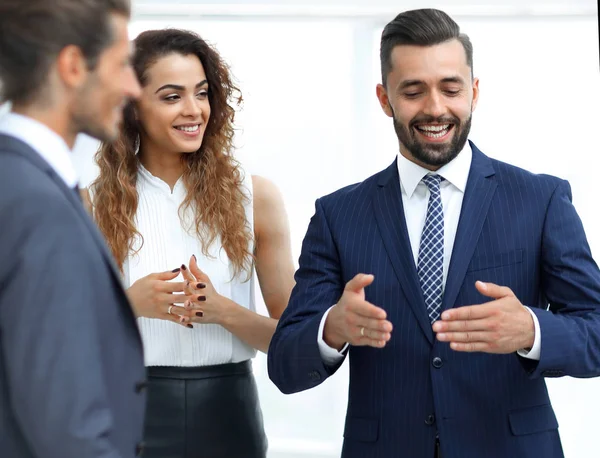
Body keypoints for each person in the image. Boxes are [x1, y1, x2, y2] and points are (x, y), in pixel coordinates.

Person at [267, 8, 600, 458]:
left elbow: (595, 330)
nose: (435, 108)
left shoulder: (540, 199)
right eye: (413, 91)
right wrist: (331, 329)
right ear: (385, 99)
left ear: (474, 92)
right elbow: (285, 364)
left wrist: (531, 331)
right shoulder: (337, 215)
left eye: (450, 88)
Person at [85, 28, 295, 458]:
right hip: (126, 417)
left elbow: (294, 341)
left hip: (230, 417)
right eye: (171, 96)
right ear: (132, 107)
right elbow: (56, 336)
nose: (194, 110)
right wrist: (128, 305)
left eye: (201, 93)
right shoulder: (88, 206)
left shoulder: (256, 198)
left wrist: (224, 312)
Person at [0, 1, 146, 457]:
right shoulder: (40, 206)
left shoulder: (15, 179)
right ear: (73, 66)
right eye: (122, 64)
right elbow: (66, 428)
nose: (133, 87)